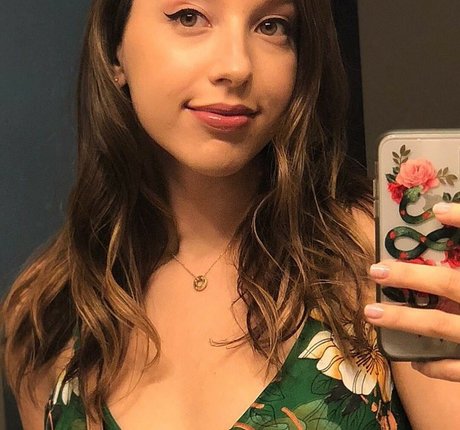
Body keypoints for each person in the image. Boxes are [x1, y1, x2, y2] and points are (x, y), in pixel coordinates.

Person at [1, 0, 460, 429]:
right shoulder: (44, 315)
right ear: (113, 48)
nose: (238, 66)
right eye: (188, 16)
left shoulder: (381, 259)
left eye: (271, 26)